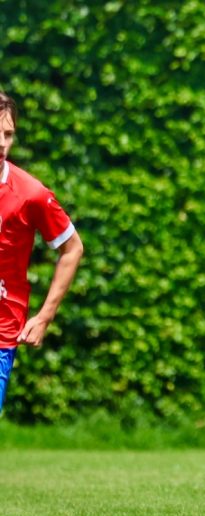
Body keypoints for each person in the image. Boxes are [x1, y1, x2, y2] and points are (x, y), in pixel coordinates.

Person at [0, 91, 85, 413]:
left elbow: (72, 248)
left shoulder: (31, 194)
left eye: (8, 134)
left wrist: (45, 316)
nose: (2, 143)